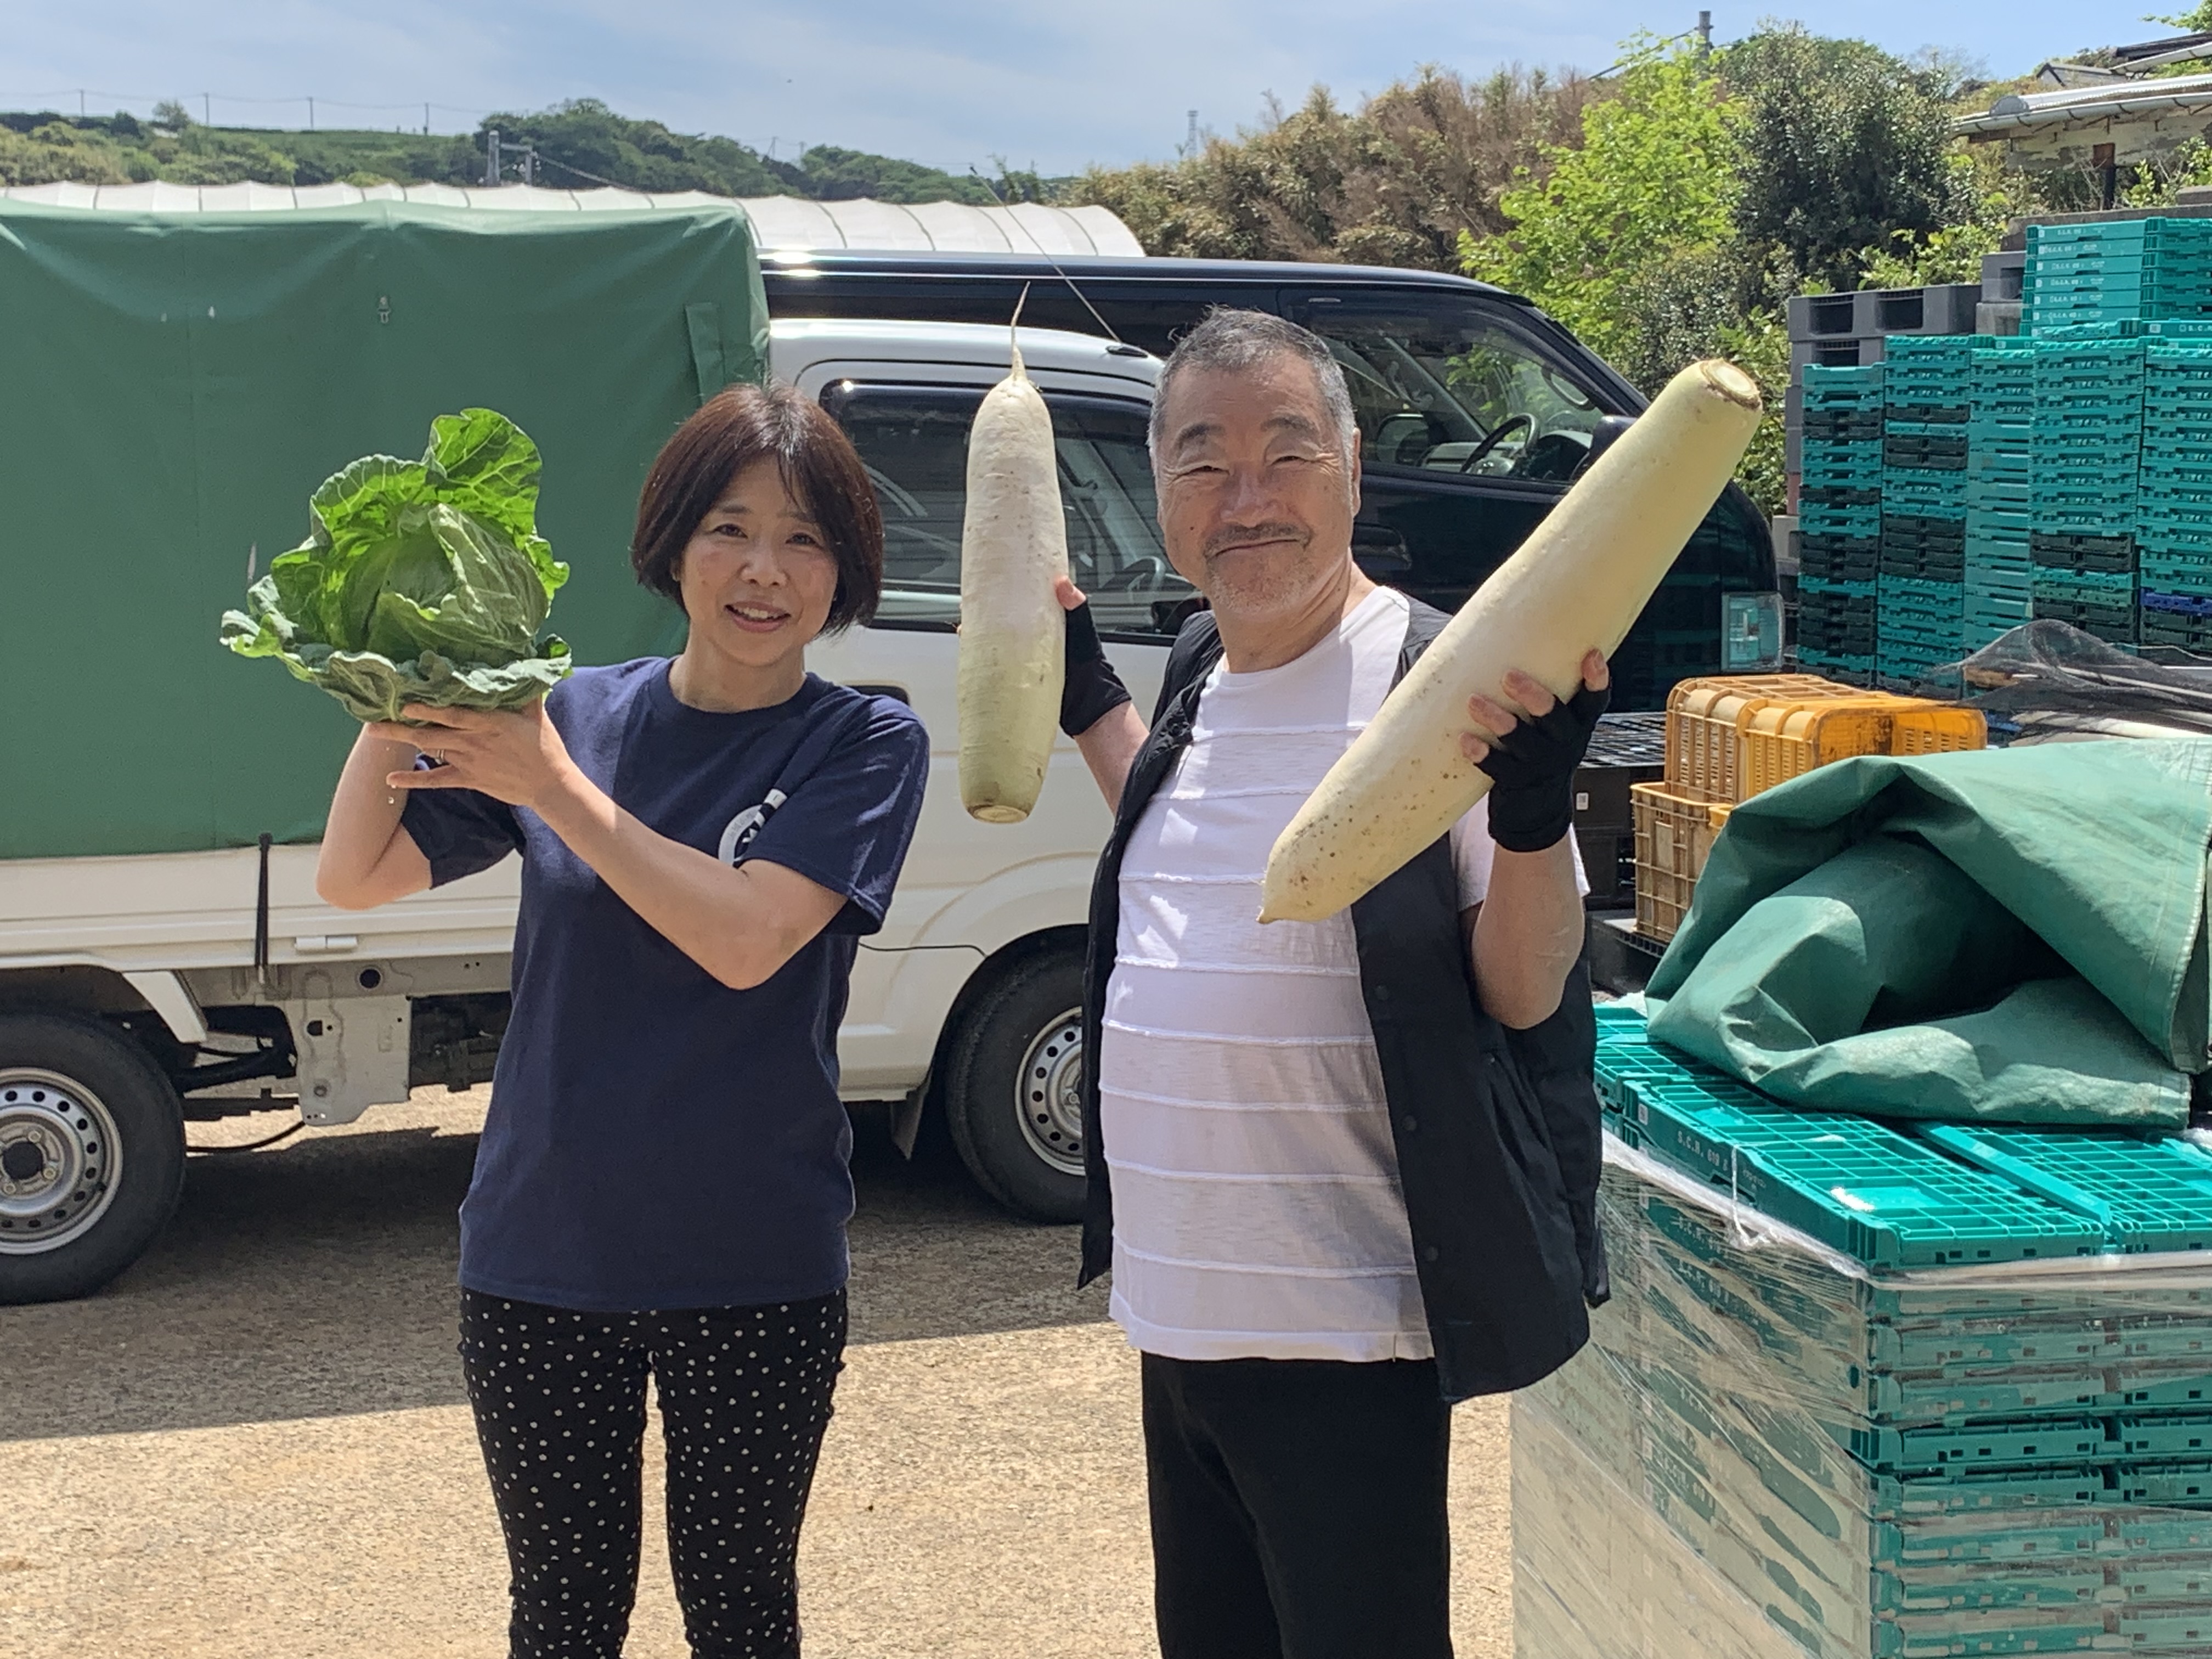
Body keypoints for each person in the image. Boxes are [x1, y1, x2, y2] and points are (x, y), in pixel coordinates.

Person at [315, 384, 930, 1659]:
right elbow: (356, 876)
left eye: (806, 540)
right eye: (730, 529)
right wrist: (391, 687)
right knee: (561, 1619)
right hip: (544, 1255)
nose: (765, 571)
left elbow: (750, 937)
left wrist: (553, 786)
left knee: (743, 1616)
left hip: (754, 1261)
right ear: (671, 545)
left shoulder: (863, 742)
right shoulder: (577, 709)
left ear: (845, 569)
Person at [1055, 309, 1609, 1659]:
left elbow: (1527, 991)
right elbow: (1229, 862)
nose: (1245, 501)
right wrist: (1087, 707)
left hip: (1341, 1335)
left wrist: (1533, 822)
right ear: (1160, 487)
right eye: (1201, 461)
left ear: (1353, 469)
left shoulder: (1446, 684)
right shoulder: (1194, 669)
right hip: (1179, 1319)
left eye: (1284, 453)